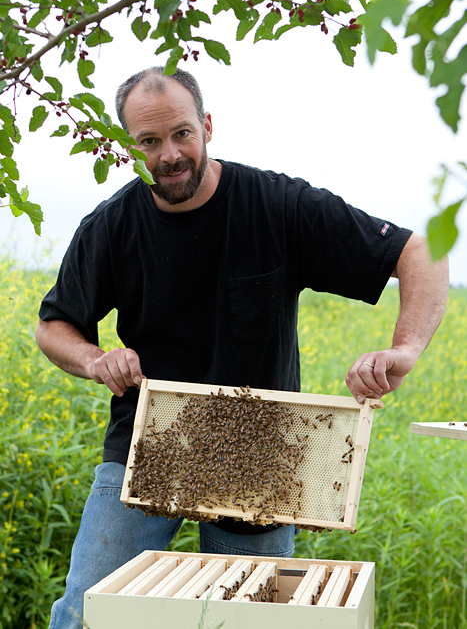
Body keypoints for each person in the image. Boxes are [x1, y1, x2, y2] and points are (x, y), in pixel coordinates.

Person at [36, 67, 449, 628]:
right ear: (126, 148)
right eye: (149, 142)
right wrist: (92, 358)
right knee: (87, 612)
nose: (170, 154)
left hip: (261, 456)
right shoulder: (111, 226)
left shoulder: (276, 205)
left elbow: (421, 252)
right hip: (145, 444)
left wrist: (405, 351)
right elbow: (53, 325)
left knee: (247, 621)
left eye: (182, 133)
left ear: (207, 126)